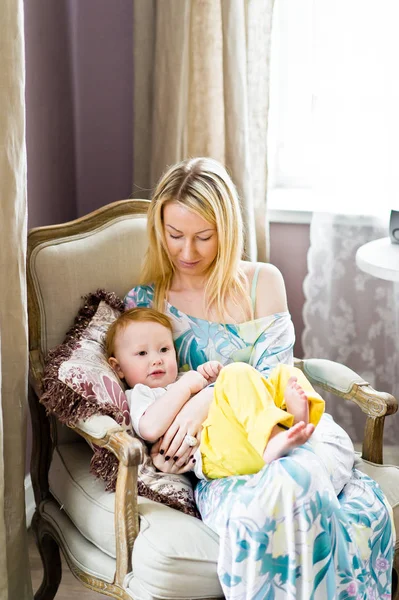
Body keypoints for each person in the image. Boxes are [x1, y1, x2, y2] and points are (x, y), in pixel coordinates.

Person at [124, 157, 394, 599]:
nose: (187, 252)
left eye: (203, 237)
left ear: (226, 231)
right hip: (224, 460)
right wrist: (172, 435)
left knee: (297, 481)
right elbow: (145, 399)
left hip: (288, 428)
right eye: (175, 236)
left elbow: (278, 378)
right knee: (275, 503)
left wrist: (207, 396)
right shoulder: (145, 302)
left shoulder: (261, 282)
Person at [106, 307, 326, 479]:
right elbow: (150, 428)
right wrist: (189, 386)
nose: (156, 359)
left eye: (164, 349)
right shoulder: (140, 394)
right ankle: (272, 438)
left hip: (239, 433)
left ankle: (294, 423)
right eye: (142, 353)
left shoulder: (183, 378)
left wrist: (209, 380)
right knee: (236, 372)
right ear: (118, 368)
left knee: (285, 373)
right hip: (213, 454)